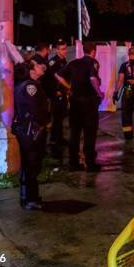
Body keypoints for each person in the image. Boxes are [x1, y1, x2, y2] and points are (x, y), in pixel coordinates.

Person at [55, 42, 104, 172]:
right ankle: (90, 162)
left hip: (75, 102)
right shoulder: (92, 63)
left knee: (75, 133)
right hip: (89, 102)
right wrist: (100, 93)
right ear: (93, 51)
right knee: (89, 132)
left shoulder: (73, 63)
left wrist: (69, 87)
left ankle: (73, 162)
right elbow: (93, 79)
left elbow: (57, 75)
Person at [12, 59, 48, 210]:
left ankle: (28, 197)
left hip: (27, 129)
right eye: (38, 65)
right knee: (32, 164)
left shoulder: (24, 85)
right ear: (32, 70)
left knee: (29, 164)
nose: (42, 67)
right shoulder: (30, 86)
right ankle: (30, 199)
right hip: (31, 130)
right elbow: (34, 110)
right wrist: (43, 123)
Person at [44, 40, 68, 158]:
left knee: (61, 115)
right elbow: (53, 78)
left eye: (65, 48)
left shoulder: (63, 60)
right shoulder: (53, 62)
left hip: (62, 92)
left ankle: (60, 137)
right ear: (57, 50)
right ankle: (54, 139)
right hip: (56, 93)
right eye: (62, 49)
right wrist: (56, 90)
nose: (65, 51)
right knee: (57, 116)